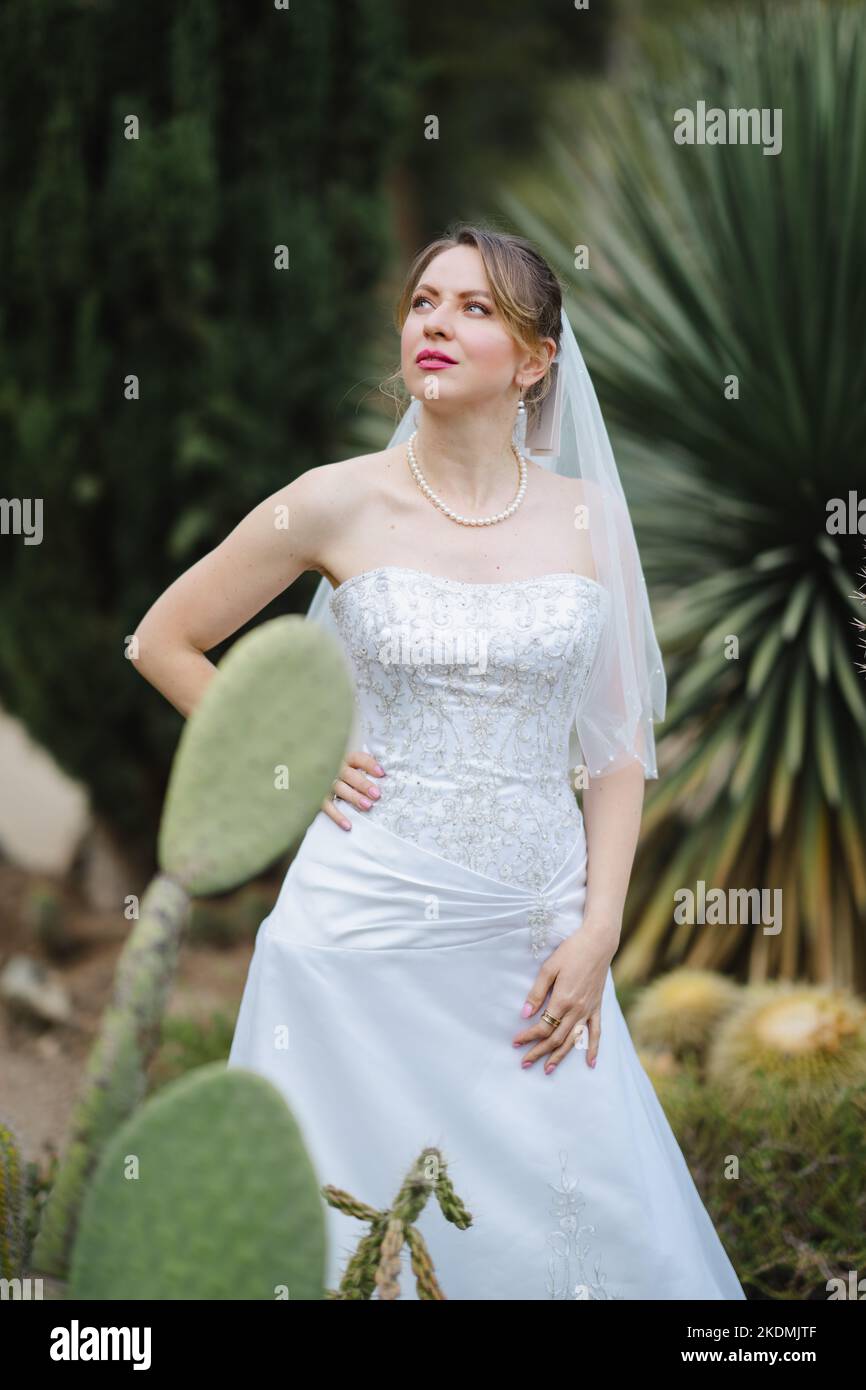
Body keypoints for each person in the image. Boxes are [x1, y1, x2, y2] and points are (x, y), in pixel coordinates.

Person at [133, 224, 746, 1300]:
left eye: (473, 308)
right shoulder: (332, 499)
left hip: (535, 935)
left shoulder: (588, 519)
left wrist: (599, 925)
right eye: (423, 300)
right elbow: (163, 640)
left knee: (572, 1214)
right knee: (341, 1217)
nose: (434, 322)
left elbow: (612, 753)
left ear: (533, 358)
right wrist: (287, 751)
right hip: (357, 930)